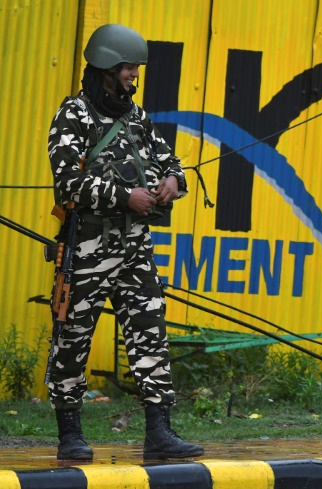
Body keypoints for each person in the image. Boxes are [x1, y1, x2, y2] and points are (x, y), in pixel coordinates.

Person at [46, 24, 204, 460]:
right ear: (106, 67)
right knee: (73, 338)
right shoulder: (73, 115)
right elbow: (68, 185)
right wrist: (123, 196)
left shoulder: (135, 116)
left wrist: (174, 179)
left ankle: (160, 432)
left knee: (150, 336)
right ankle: (70, 434)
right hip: (87, 249)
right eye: (129, 67)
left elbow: (169, 159)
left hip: (135, 249)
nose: (135, 75)